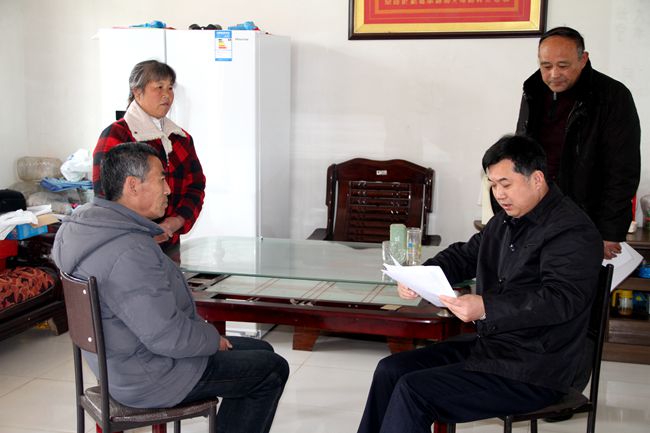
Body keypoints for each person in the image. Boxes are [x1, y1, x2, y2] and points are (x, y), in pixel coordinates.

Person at [357, 135, 603, 433]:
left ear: (537, 179)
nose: (499, 194)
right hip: (493, 349)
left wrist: (487, 307)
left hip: (537, 369)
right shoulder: (504, 222)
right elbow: (463, 256)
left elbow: (560, 299)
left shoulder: (571, 230)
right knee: (390, 369)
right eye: (493, 185)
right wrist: (419, 275)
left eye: (506, 184)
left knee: (414, 390)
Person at [53, 142, 288, 433]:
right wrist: (211, 339)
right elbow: (167, 337)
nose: (168, 190)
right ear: (132, 185)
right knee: (271, 370)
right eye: (161, 179)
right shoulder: (128, 251)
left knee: (261, 349)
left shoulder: (86, 229)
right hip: (151, 375)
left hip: (120, 365)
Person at [516, 26, 641, 260]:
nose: (554, 74)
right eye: (546, 66)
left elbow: (623, 171)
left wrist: (610, 232)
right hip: (537, 214)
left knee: (576, 280)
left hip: (585, 216)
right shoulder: (533, 91)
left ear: (583, 59)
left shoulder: (612, 96)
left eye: (563, 66)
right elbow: (521, 155)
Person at [93, 60, 206, 254]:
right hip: (129, 246)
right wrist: (142, 231)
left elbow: (196, 186)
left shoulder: (180, 138)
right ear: (137, 92)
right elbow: (104, 197)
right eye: (159, 87)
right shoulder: (117, 134)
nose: (167, 94)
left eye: (170, 87)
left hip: (169, 242)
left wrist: (175, 222)